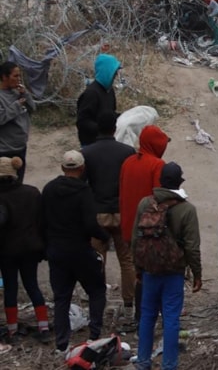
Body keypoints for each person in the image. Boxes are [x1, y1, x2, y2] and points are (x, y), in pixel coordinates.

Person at [133, 163, 202, 370]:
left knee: (147, 316)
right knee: (171, 319)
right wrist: (197, 274)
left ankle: (143, 361)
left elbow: (135, 240)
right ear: (180, 182)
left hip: (149, 270)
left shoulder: (145, 203)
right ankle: (169, 365)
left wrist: (138, 268)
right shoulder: (187, 209)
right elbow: (192, 247)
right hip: (174, 271)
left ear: (160, 181)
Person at [41, 151, 109, 355]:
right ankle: (94, 335)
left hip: (57, 250)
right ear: (82, 168)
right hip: (80, 250)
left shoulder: (49, 189)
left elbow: (41, 220)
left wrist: (47, 246)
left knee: (61, 298)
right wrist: (104, 235)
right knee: (96, 290)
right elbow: (90, 224)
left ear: (62, 167)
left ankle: (62, 344)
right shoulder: (84, 191)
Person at [81, 112, 137, 322]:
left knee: (97, 260)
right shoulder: (127, 152)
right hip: (121, 212)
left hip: (98, 214)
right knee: (127, 260)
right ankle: (129, 306)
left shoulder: (87, 153)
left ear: (98, 128)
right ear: (115, 128)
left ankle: (99, 305)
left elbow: (83, 186)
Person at [119, 124, 170, 323]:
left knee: (139, 271)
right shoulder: (157, 165)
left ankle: (140, 318)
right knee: (154, 274)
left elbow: (122, 195)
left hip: (129, 227)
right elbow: (159, 200)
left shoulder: (128, 162)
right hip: (149, 230)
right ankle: (152, 318)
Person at [0, 156, 49, 344]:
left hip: (6, 251)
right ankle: (43, 326)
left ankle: (12, 331)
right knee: (32, 285)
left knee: (10, 288)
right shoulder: (32, 192)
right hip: (31, 248)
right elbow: (42, 221)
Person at [76, 54, 121, 146]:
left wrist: (124, 117)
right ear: (107, 72)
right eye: (114, 72)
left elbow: (111, 113)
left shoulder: (109, 90)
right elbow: (82, 122)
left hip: (106, 140)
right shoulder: (91, 93)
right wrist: (102, 128)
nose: (116, 75)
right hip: (91, 143)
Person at [0, 62, 35, 182]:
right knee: (6, 185)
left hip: (20, 147)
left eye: (19, 76)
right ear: (4, 77)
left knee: (19, 182)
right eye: (15, 76)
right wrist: (17, 105)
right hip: (5, 150)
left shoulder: (17, 92)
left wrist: (25, 94)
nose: (19, 79)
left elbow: (32, 109)